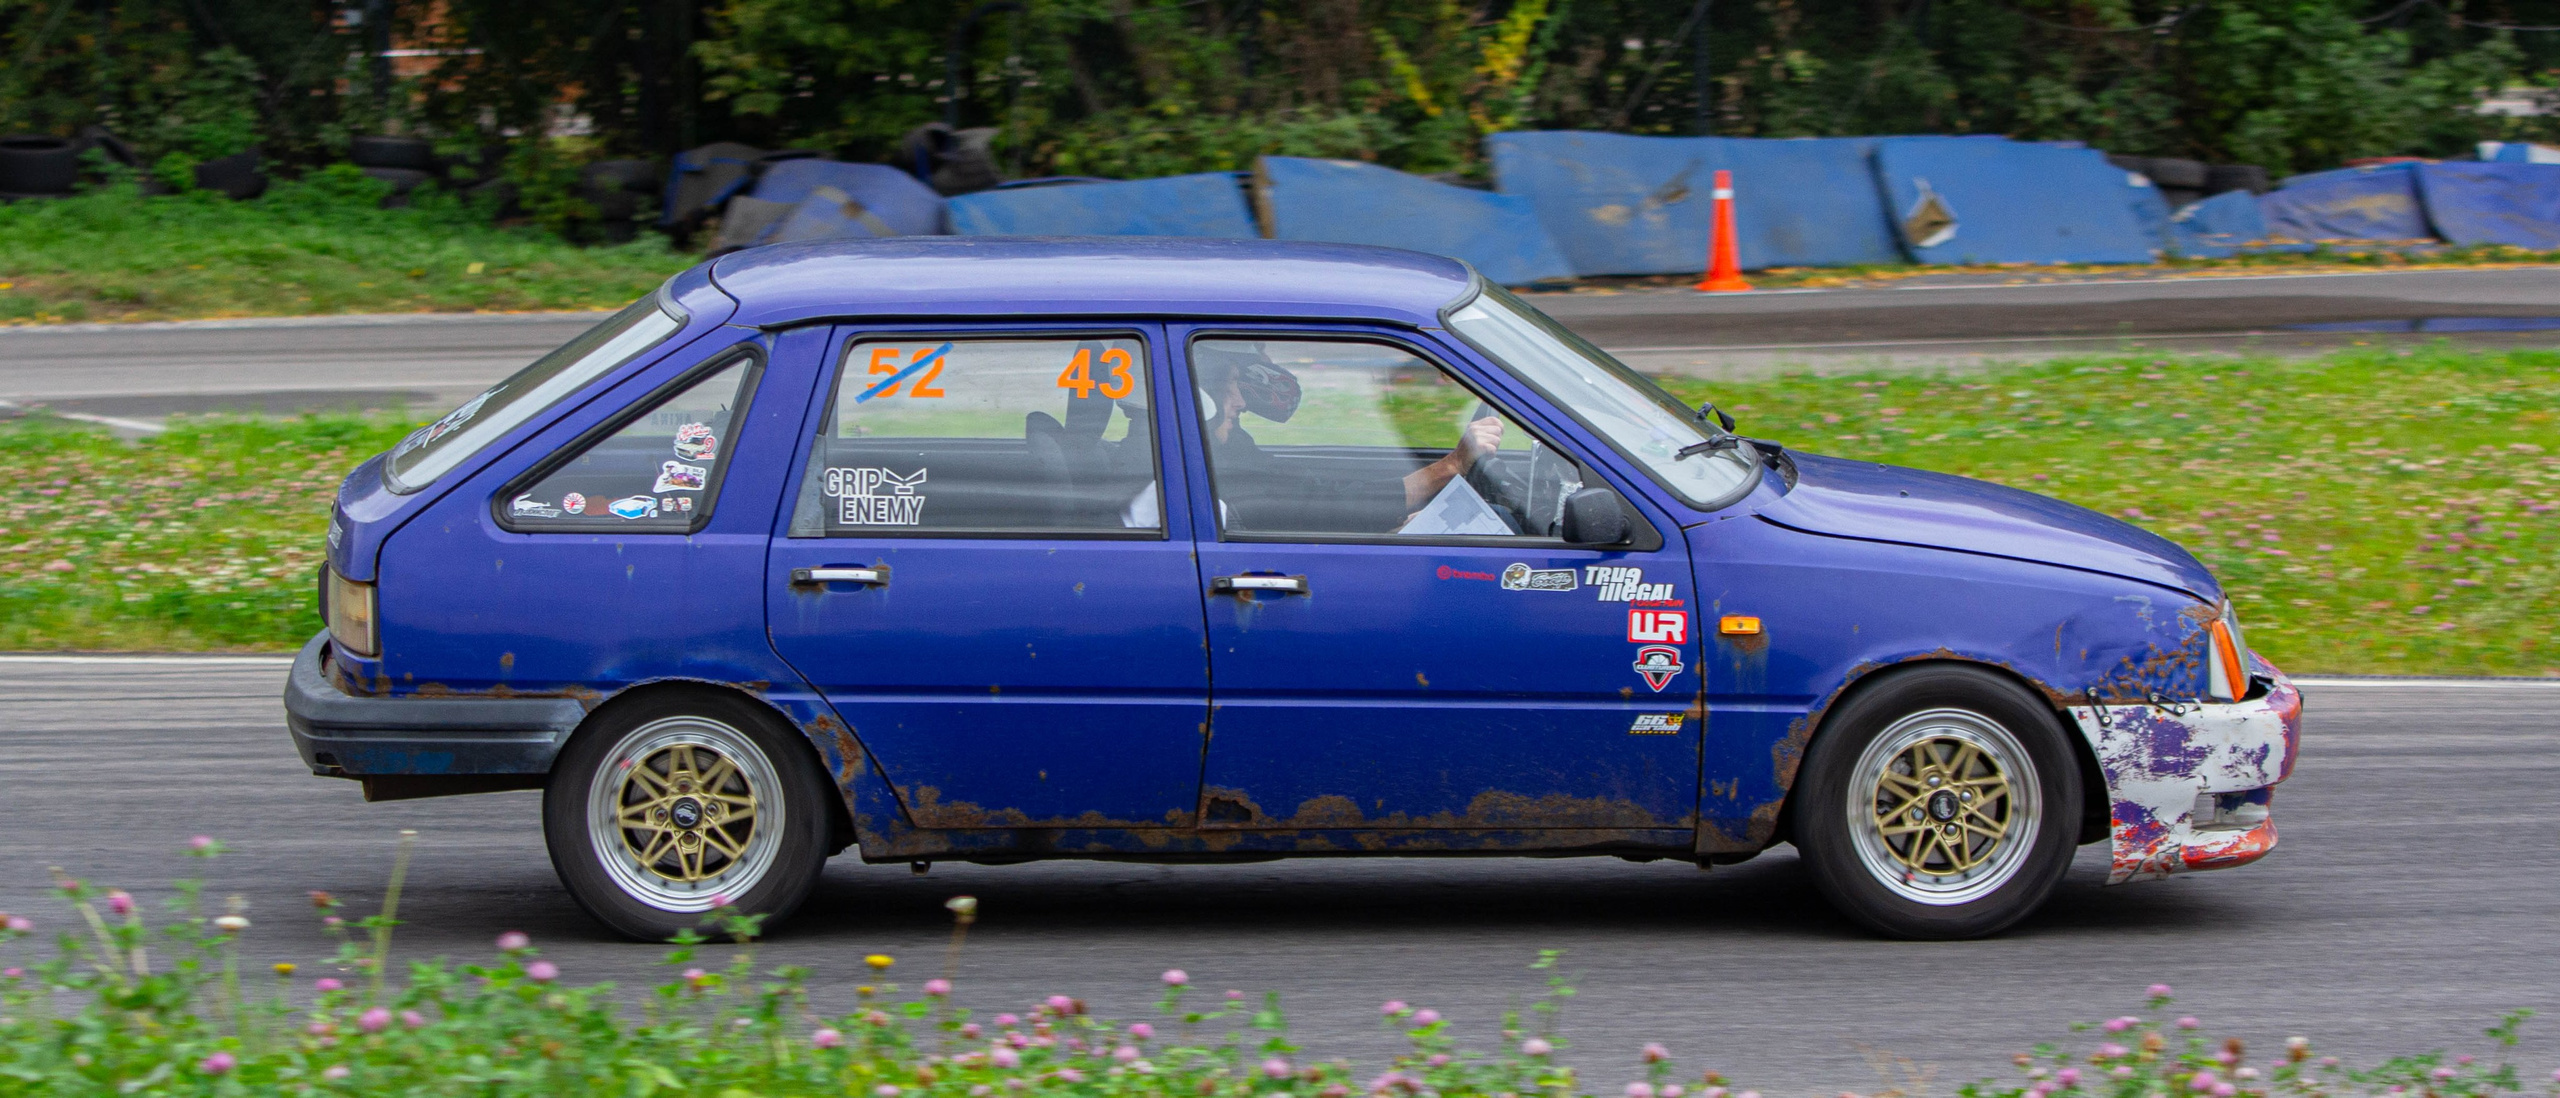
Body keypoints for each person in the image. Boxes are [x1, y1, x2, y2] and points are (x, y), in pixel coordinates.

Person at [1192, 343, 1507, 532]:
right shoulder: (1210, 460)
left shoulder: (1226, 445)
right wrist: (1450, 466)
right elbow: (1313, 505)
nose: (1243, 401)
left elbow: (1309, 493)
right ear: (1205, 387)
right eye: (1232, 381)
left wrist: (1391, 528)